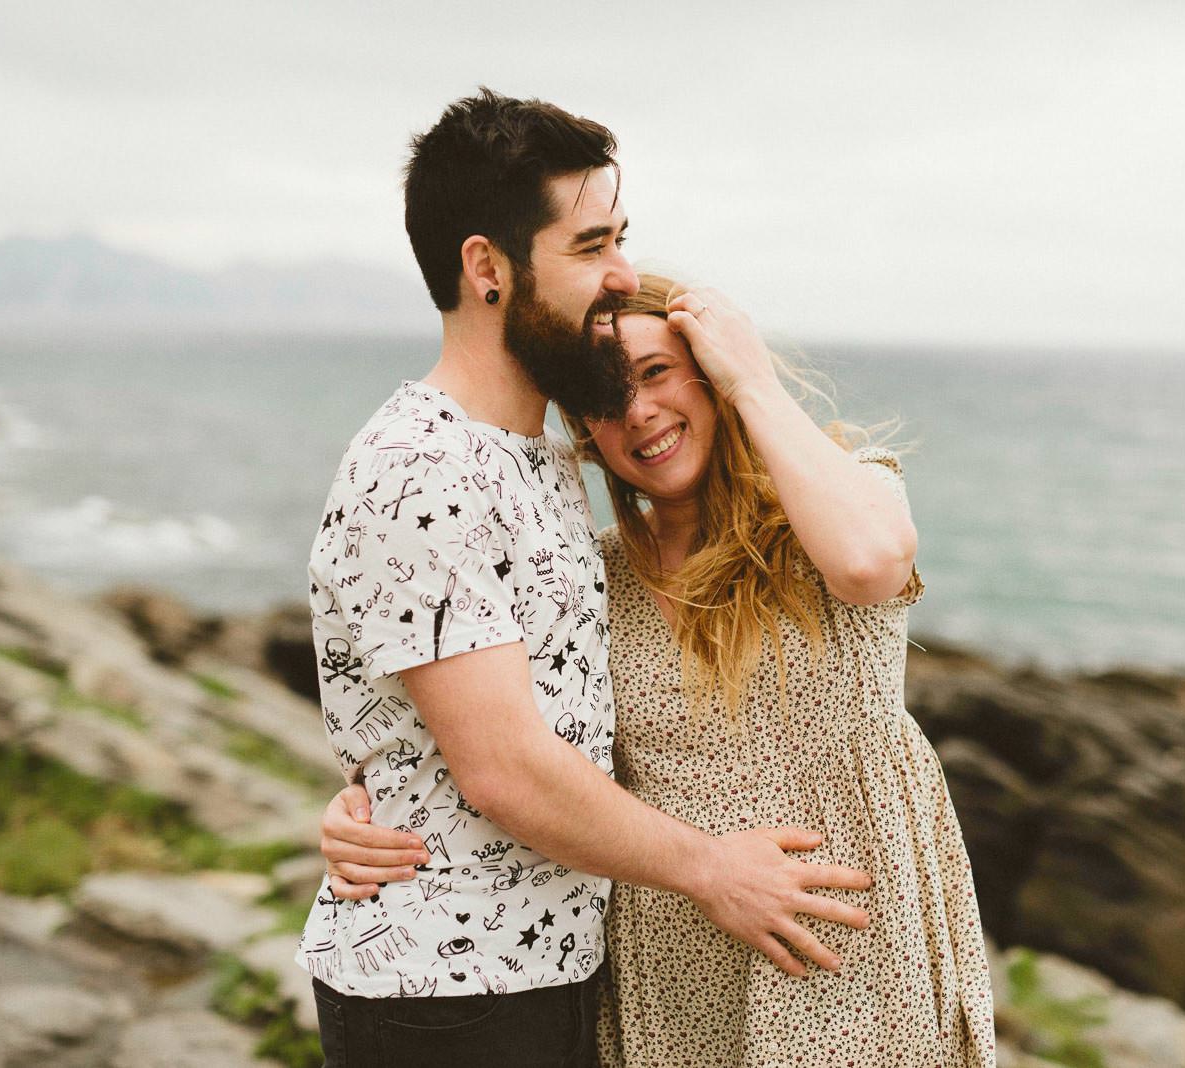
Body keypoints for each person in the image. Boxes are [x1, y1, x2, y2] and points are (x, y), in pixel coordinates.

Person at [298, 89, 872, 1068]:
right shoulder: (421, 467)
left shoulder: (534, 456)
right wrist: (708, 870)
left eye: (621, 238)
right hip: (447, 995)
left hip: (543, 970)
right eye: (589, 245)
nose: (622, 273)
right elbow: (504, 767)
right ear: (487, 267)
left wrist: (380, 784)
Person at [321, 273, 998, 1067]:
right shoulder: (590, 574)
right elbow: (504, 744)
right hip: (670, 975)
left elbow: (870, 561)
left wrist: (753, 378)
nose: (637, 412)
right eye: (605, 398)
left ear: (709, 374)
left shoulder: (842, 503)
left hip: (850, 957)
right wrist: (370, 813)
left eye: (656, 373)